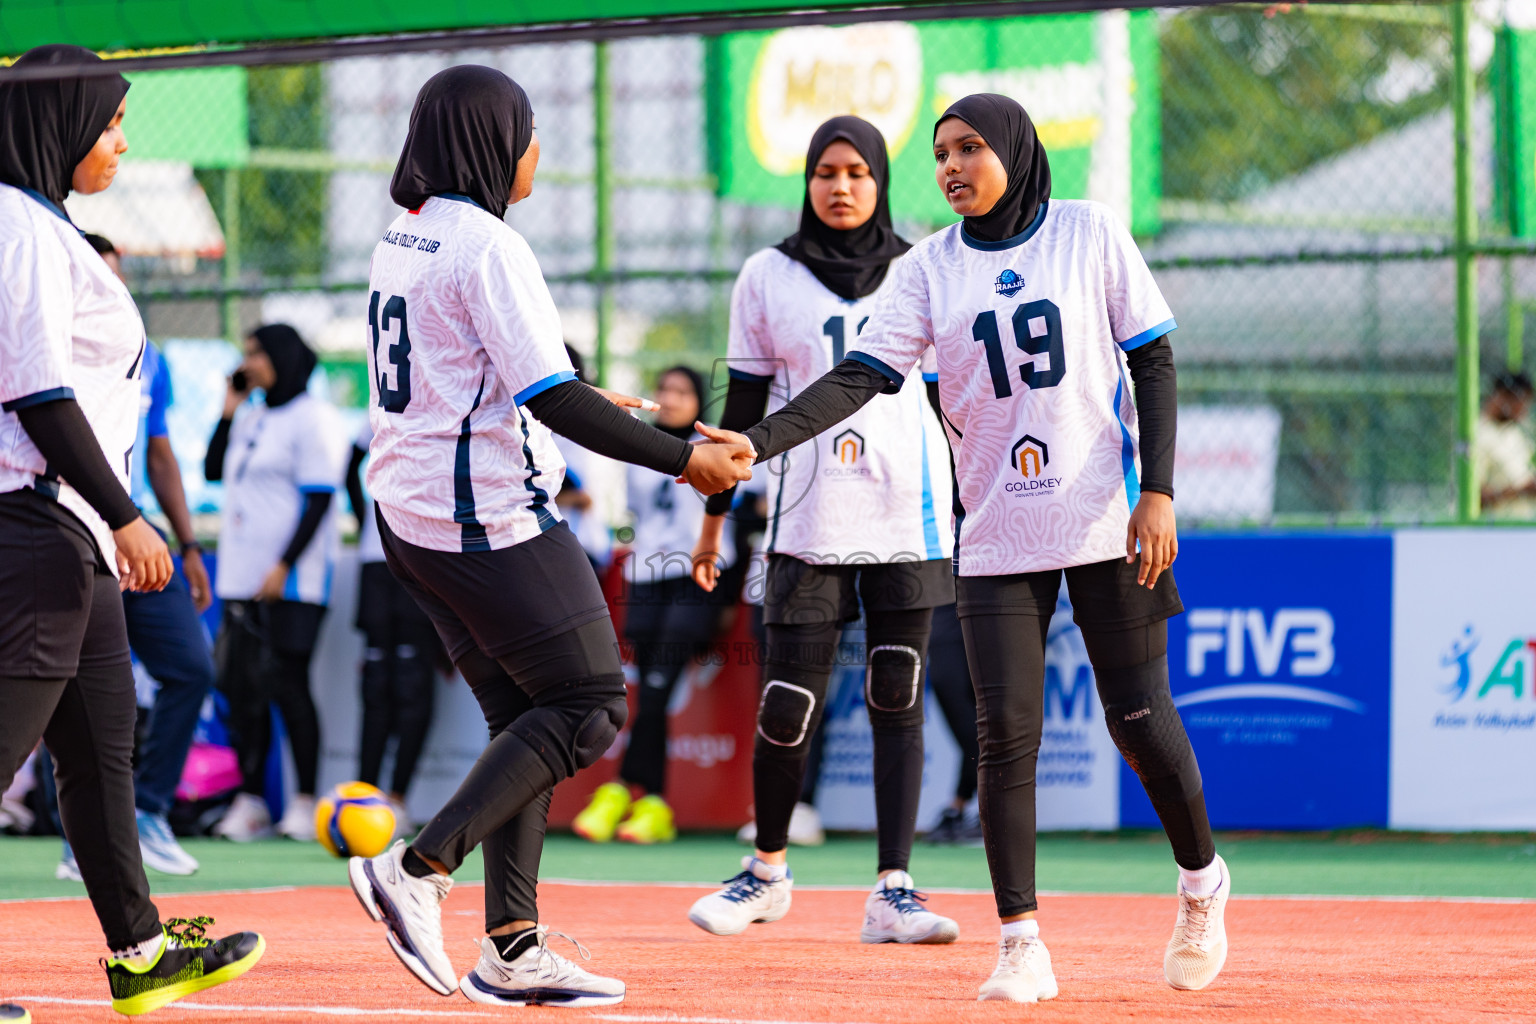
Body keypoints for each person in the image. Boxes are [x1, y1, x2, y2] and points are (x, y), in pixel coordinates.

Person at [705, 94, 1229, 1002]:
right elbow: (862, 378)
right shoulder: (928, 268)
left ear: (1017, 151)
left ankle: (1201, 886)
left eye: (970, 149)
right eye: (941, 153)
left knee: (1140, 720)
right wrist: (758, 442)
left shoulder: (1088, 232)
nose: (951, 167)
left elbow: (1153, 358)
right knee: (1004, 740)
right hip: (991, 527)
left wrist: (1160, 492)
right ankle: (1021, 942)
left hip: (1106, 515)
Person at [344, 65, 751, 1008]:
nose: (537, 152)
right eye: (527, 133)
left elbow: (469, 370)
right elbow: (551, 395)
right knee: (589, 706)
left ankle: (512, 949)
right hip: (482, 518)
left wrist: (575, 402)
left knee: (522, 719)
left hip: (409, 516)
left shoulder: (401, 236)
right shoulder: (486, 243)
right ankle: (419, 866)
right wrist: (683, 457)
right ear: (492, 142)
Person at [0, 43, 263, 1016]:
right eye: (108, 123)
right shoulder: (16, 224)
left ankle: (142, 950)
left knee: (103, 753)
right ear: (58, 122)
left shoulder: (46, 226)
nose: (118, 143)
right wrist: (126, 513)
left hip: (72, 530)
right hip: (38, 525)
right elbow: (36, 393)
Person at [684, 116, 960, 945]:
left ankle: (893, 891)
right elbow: (738, 409)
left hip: (908, 515)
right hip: (807, 513)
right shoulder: (766, 274)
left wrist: (976, 504)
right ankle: (766, 871)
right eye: (825, 172)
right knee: (786, 704)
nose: (840, 187)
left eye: (857, 173)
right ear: (807, 182)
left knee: (894, 699)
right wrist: (711, 524)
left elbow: (953, 402)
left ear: (880, 182)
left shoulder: (925, 268)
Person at [67, 233, 214, 879]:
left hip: (135, 531)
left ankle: (148, 812)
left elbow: (159, 451)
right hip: (66, 524)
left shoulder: (145, 352)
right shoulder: (41, 344)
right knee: (69, 690)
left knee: (190, 667)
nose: (110, 291)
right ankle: (82, 837)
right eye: (97, 278)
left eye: (117, 279)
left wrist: (187, 545)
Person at [572, 365, 730, 846]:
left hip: (696, 575)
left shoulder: (719, 448)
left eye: (682, 390)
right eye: (663, 387)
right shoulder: (638, 449)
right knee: (650, 695)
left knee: (658, 688)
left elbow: (730, 517)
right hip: (646, 576)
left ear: (700, 401)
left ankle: (621, 789)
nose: (671, 396)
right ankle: (653, 803)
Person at [205, 324, 346, 842]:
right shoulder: (253, 416)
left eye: (256, 354)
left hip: (291, 580)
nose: (248, 363)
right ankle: (252, 800)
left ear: (282, 357)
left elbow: (320, 498)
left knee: (289, 684)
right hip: (241, 576)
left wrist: (283, 565)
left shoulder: (313, 419)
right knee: (244, 690)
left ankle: (306, 799)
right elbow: (214, 468)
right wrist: (228, 407)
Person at [347, 418, 442, 827]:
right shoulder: (382, 401)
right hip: (378, 559)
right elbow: (347, 464)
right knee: (377, 685)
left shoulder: (450, 399)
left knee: (413, 683)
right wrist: (368, 518)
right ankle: (365, 799)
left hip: (429, 555)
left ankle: (398, 801)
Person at [921, 601, 983, 844]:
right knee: (971, 729)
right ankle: (963, 807)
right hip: (945, 616)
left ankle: (971, 808)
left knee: (992, 725)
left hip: (995, 607)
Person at [1474, 370, 1535, 519]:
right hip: (1489, 530)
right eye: (1522, 402)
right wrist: (1520, 491)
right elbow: (1471, 496)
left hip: (1515, 527)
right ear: (1502, 398)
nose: (1524, 410)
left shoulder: (1513, 433)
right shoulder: (1478, 435)